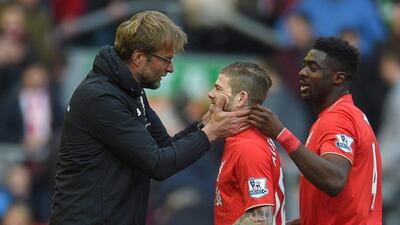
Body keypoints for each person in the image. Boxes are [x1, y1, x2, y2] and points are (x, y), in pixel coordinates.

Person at [49, 11, 249, 225]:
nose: (170, 68)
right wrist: (212, 132)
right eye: (166, 59)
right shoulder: (101, 98)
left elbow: (165, 146)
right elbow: (158, 164)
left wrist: (205, 123)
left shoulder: (129, 89)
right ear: (138, 57)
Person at [249, 37, 382, 225]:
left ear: (338, 78)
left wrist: (281, 134)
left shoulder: (338, 118)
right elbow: (342, 205)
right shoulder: (345, 114)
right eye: (304, 66)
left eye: (313, 68)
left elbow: (335, 180)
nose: (302, 73)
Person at [210, 62, 285, 225]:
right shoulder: (243, 138)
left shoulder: (248, 147)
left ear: (241, 98)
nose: (210, 94)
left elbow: (260, 218)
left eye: (218, 88)